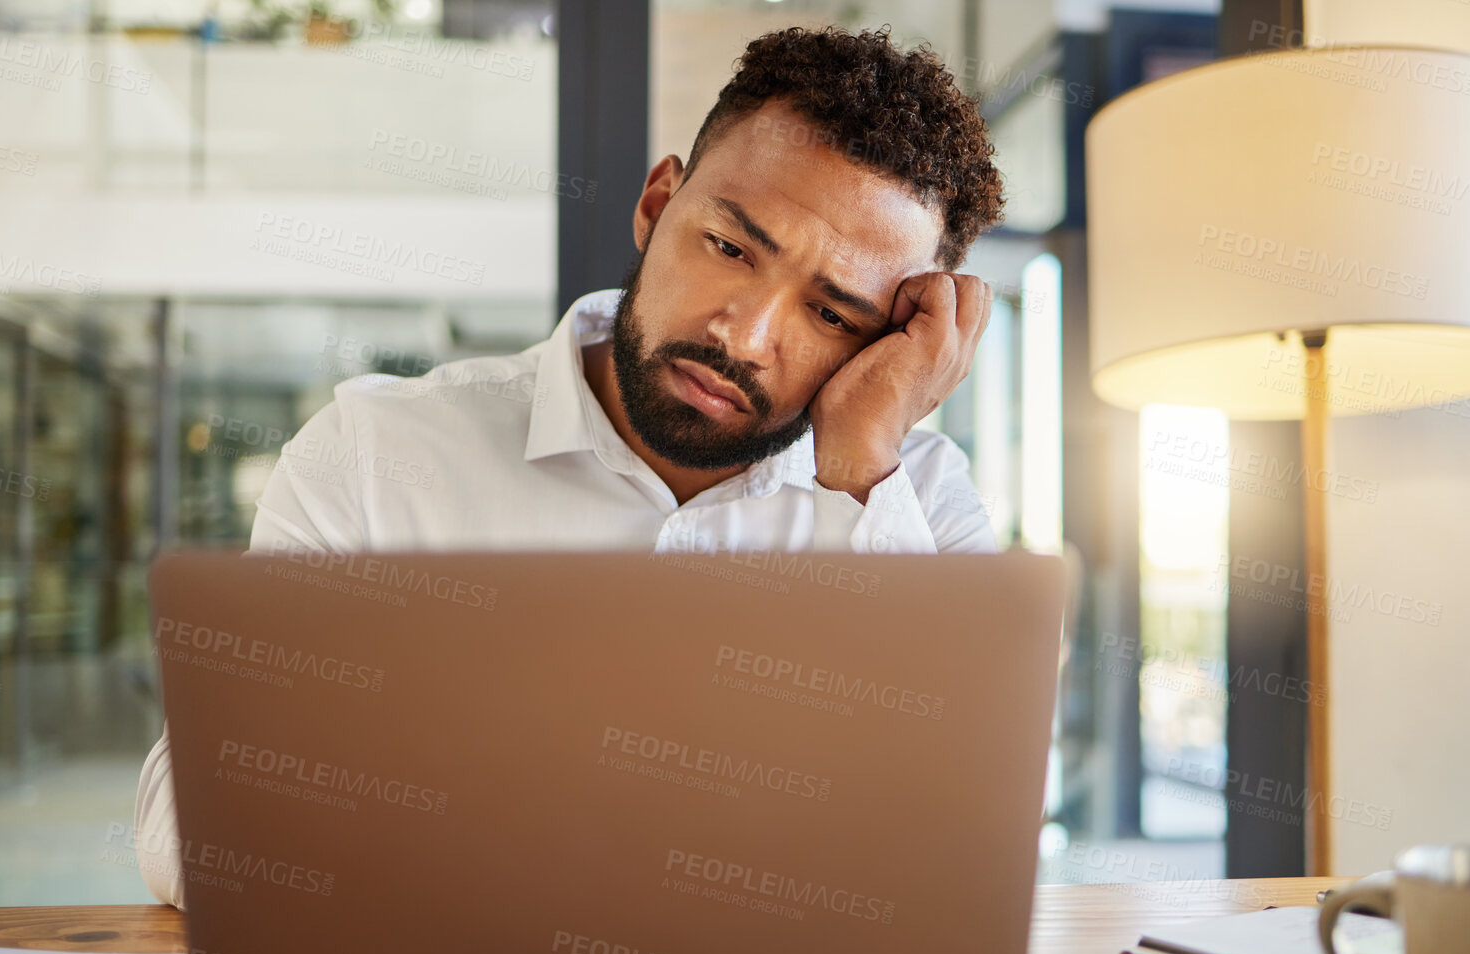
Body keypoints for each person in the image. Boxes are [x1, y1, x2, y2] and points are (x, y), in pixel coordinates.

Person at [134, 25, 1007, 907]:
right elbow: (185, 830)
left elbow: (966, 838)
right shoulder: (377, 453)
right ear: (656, 202)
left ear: (892, 340)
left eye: (830, 314)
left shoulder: (915, 498)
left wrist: (858, 470)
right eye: (730, 248)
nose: (742, 336)